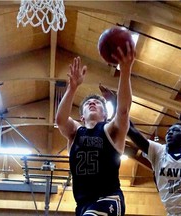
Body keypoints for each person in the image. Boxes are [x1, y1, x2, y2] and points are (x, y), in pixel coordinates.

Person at [55, 42, 135, 216]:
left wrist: (125, 70)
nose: (92, 103)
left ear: (105, 115)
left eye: (98, 103)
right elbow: (60, 120)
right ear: (81, 117)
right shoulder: (75, 133)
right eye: (88, 103)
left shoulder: (111, 131)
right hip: (83, 205)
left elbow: (123, 110)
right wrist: (72, 87)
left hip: (110, 199)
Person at [128, 121, 181, 216]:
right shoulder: (158, 152)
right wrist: (122, 114)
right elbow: (133, 132)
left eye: (175, 130)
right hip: (172, 213)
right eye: (168, 131)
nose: (170, 132)